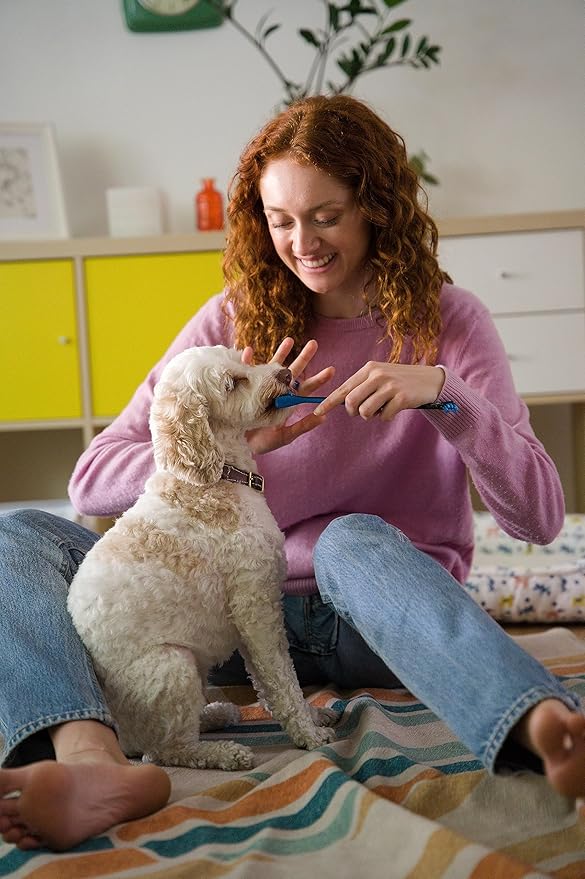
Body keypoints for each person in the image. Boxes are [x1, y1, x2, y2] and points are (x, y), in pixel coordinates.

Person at [1, 95, 584, 853]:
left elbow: (538, 517)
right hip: (221, 614)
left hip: (363, 616)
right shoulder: (233, 320)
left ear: (376, 206)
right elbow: (93, 478)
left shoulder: (449, 321)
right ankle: (90, 759)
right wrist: (240, 451)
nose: (300, 242)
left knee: (347, 535)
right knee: (19, 533)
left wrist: (446, 394)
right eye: (280, 220)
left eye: (325, 215)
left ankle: (541, 727)